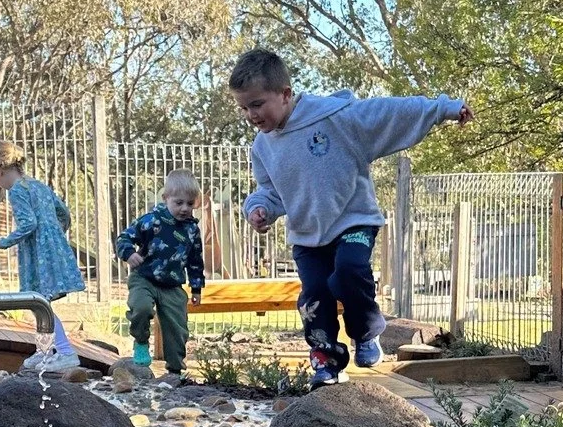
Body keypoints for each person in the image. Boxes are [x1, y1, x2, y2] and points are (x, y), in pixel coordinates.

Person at [231, 48, 472, 387]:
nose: (251, 115)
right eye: (243, 107)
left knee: (347, 272)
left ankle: (367, 332)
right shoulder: (262, 146)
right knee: (315, 296)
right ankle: (326, 361)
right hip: (307, 236)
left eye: (257, 104)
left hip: (353, 220)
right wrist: (260, 208)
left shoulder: (337, 117)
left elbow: (393, 111)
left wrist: (444, 107)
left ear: (285, 94)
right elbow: (270, 190)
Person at [0, 140, 87, 368]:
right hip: (52, 248)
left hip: (38, 253)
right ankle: (44, 349)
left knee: (39, 302)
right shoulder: (37, 185)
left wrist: (4, 242)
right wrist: (55, 235)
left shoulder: (16, 191)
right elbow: (64, 213)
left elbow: (28, 223)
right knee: (39, 301)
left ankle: (65, 352)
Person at [116, 170, 205, 377]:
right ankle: (140, 340)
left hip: (172, 285)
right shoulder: (151, 221)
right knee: (141, 308)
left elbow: (195, 260)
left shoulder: (192, 231)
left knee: (177, 328)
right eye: (179, 202)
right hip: (144, 278)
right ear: (166, 199)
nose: (184, 209)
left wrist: (196, 287)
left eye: (190, 204)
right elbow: (124, 238)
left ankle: (175, 370)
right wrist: (129, 254)